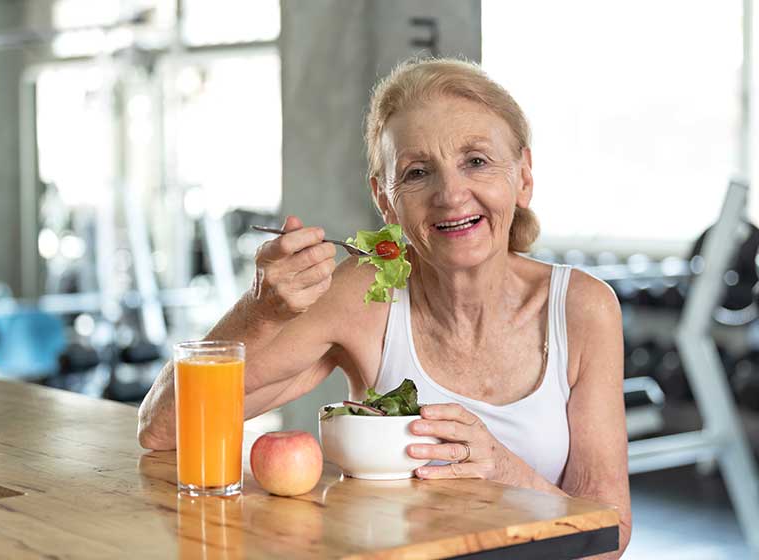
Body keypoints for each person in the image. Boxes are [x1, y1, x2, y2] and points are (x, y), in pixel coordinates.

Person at [138, 58, 631, 556]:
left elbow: (610, 539)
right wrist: (261, 310)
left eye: (476, 161)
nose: (451, 194)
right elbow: (163, 428)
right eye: (418, 173)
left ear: (523, 177)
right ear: (386, 200)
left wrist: (500, 468)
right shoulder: (362, 295)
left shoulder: (583, 310)